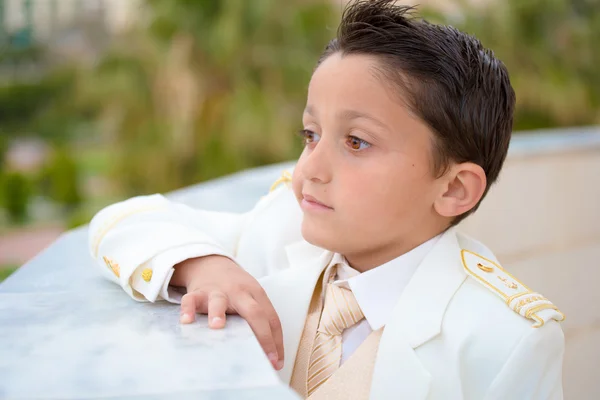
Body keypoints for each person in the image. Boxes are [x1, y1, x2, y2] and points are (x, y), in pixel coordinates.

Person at [88, 1, 565, 398]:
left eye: (356, 142)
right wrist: (207, 265)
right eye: (310, 134)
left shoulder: (506, 338)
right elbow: (124, 218)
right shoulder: (280, 227)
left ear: (454, 189)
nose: (309, 168)